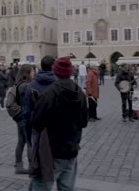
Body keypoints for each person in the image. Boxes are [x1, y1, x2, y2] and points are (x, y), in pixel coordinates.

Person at [29, 56, 88, 190]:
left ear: (55, 72)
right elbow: (84, 122)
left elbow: (36, 122)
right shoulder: (79, 93)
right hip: (72, 150)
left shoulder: (49, 94)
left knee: (41, 187)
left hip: (52, 152)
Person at [23, 56, 56, 148]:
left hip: (37, 127)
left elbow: (26, 111)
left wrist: (28, 132)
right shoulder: (59, 83)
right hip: (56, 128)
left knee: (38, 157)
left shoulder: (31, 85)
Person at [13, 64, 35, 174]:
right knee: (29, 142)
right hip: (25, 117)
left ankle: (19, 166)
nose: (33, 73)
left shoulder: (19, 84)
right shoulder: (27, 86)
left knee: (21, 141)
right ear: (27, 73)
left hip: (19, 117)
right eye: (32, 71)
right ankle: (32, 166)